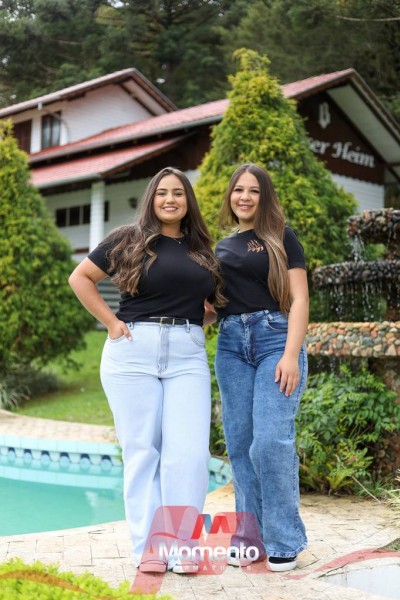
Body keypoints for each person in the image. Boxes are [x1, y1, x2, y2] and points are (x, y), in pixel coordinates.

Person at [68, 167, 225, 575]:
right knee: (142, 452)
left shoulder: (202, 249)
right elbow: (80, 278)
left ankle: (183, 547)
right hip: (132, 351)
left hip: (187, 355)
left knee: (188, 454)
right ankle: (151, 549)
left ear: (188, 201)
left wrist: (196, 323)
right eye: (162, 193)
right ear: (152, 199)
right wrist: (111, 323)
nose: (170, 200)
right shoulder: (127, 238)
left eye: (178, 193)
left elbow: (209, 307)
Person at [214, 163, 308, 572]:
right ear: (230, 196)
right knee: (239, 444)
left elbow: (300, 298)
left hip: (274, 340)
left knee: (270, 441)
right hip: (231, 345)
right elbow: (212, 306)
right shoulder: (220, 247)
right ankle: (248, 538)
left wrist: (290, 353)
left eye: (254, 190)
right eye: (239, 189)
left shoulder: (282, 236)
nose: (245, 197)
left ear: (264, 196)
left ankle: (284, 539)